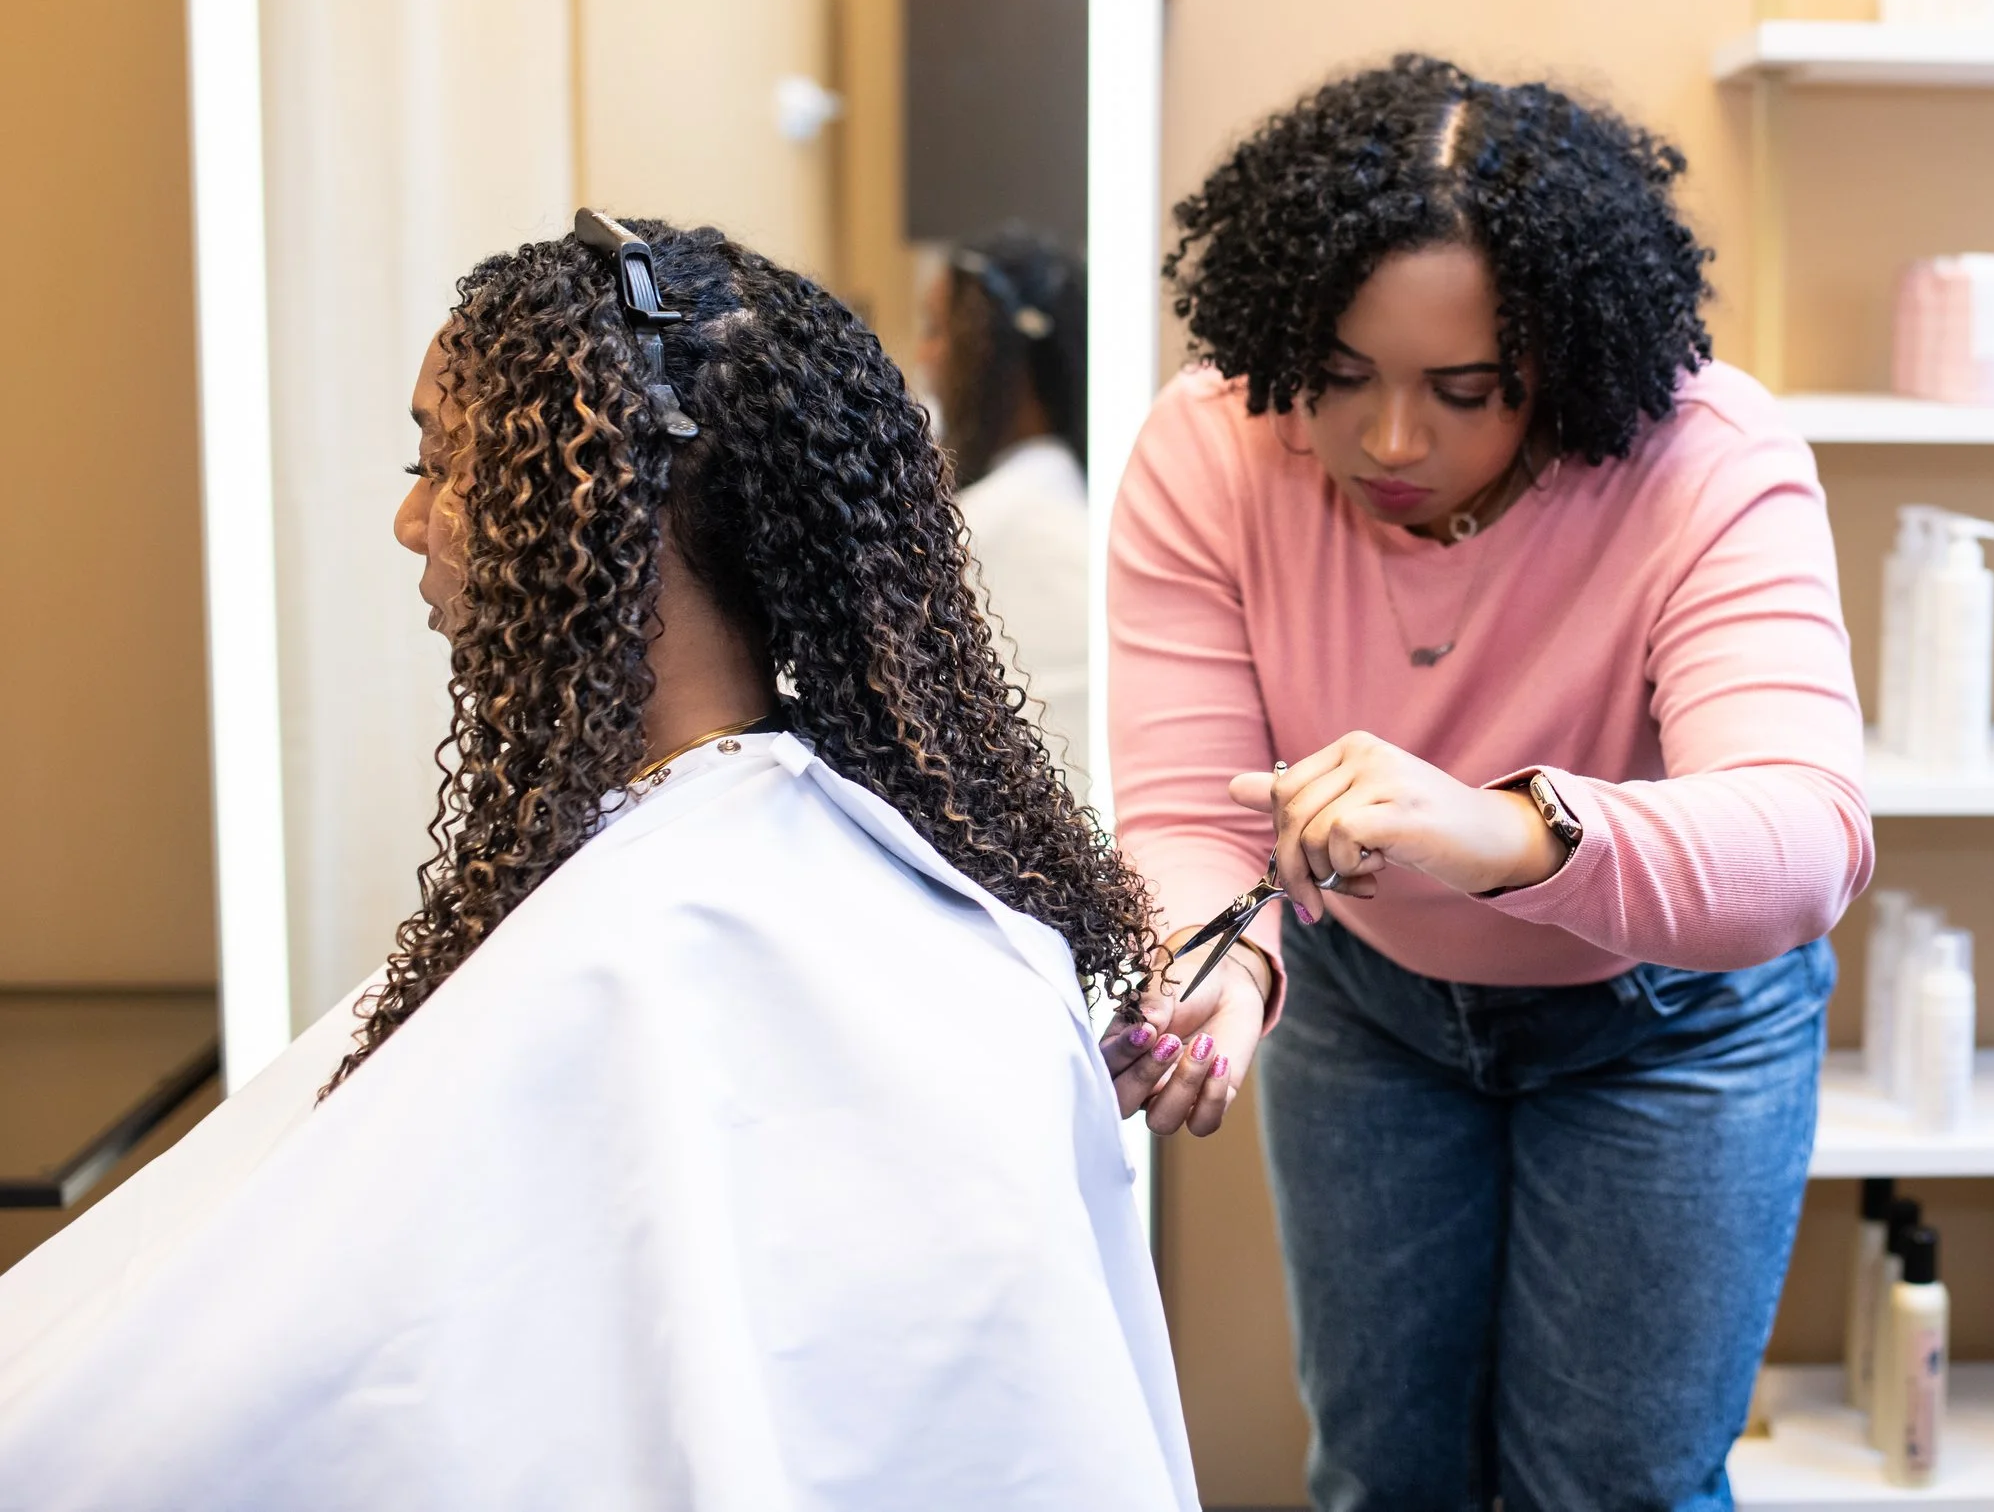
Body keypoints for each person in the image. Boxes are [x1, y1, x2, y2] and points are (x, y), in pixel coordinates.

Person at [0, 217, 1206, 1511]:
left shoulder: (651, 934)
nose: (409, 521)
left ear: (593, 500)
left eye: (443, 466)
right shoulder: (824, 882)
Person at [1108, 57, 1874, 1512]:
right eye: (1341, 374)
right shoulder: (1214, 448)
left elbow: (1803, 834)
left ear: (1564, 362)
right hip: (1372, 1011)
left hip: (1667, 1024)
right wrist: (1219, 964)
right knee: (1384, 1475)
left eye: (1464, 391)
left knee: (1616, 1488)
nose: (1392, 439)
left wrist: (1496, 825)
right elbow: (1195, 811)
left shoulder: (1704, 460)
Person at [916, 225, 1091, 791]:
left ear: (994, 355)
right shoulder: (1054, 491)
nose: (924, 355)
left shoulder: (1005, 523)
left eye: (938, 331)